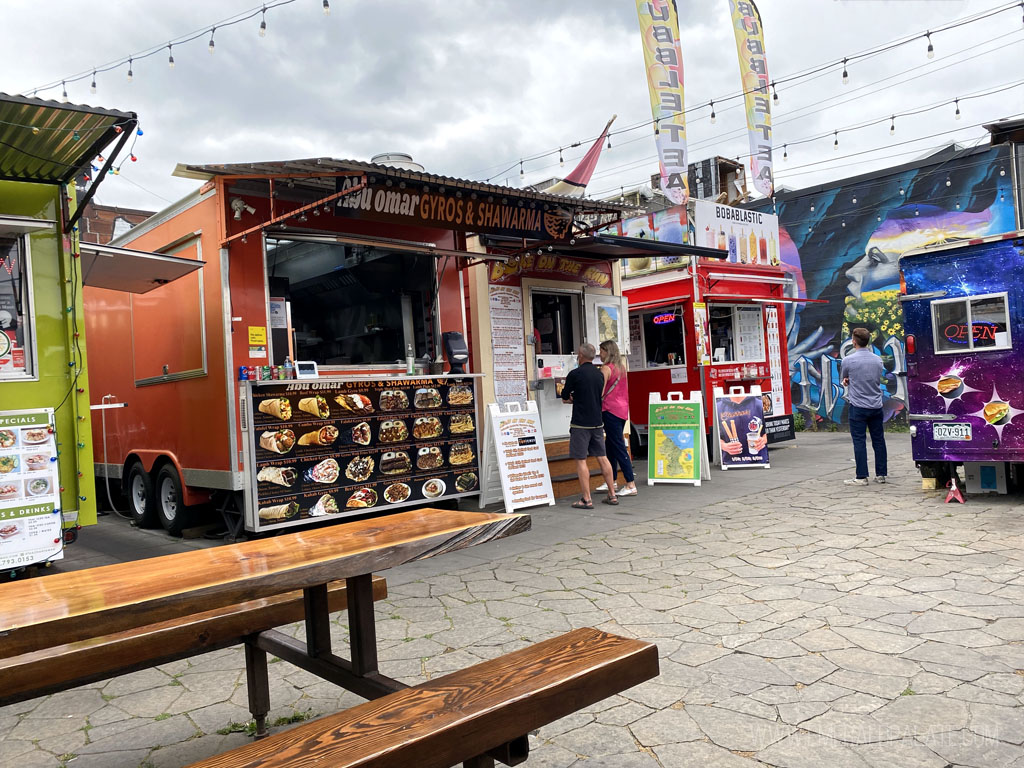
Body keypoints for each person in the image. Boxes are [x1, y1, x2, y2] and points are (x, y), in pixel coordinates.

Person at [560, 343, 619, 508]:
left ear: (580, 355)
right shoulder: (599, 374)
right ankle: (612, 494)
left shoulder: (575, 374)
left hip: (580, 424)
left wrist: (572, 398)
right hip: (597, 422)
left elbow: (565, 396)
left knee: (581, 460)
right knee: (602, 457)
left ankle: (586, 499)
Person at [840, 327, 887, 485]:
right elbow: (875, 378)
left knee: (859, 441)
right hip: (876, 405)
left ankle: (861, 476)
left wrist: (847, 381)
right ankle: (881, 474)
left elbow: (844, 378)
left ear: (854, 341)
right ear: (868, 340)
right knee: (879, 440)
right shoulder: (877, 360)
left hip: (858, 406)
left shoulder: (848, 360)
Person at [596, 340, 637, 496]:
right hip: (621, 409)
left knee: (618, 446)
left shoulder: (605, 369)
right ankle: (611, 481)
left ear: (608, 351)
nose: (600, 354)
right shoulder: (621, 368)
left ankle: (630, 483)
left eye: (602, 351)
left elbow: (599, 392)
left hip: (609, 409)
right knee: (611, 446)